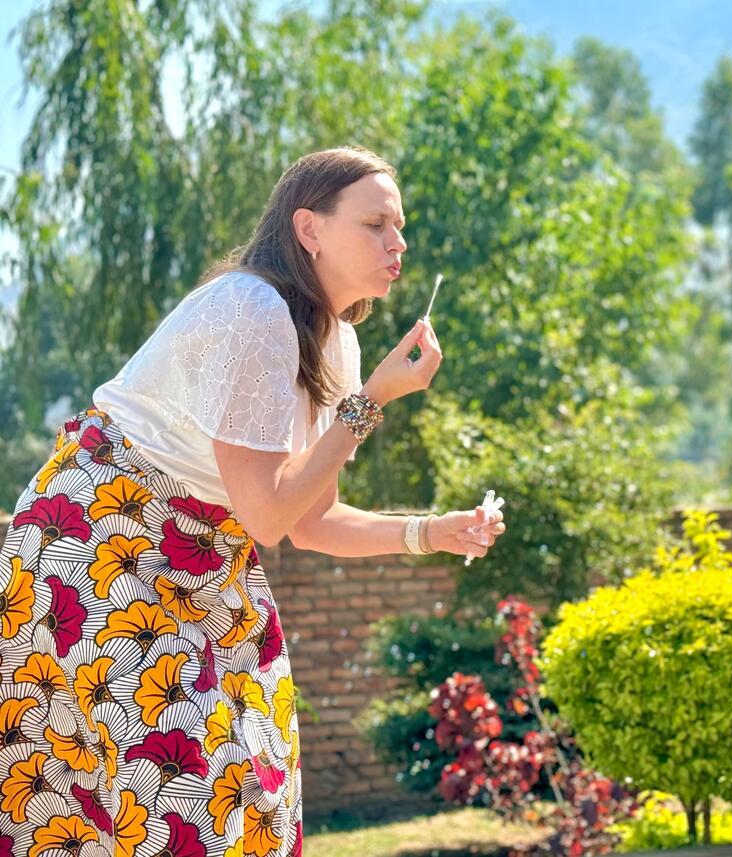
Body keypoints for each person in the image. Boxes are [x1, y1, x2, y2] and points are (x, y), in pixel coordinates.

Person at [0, 147, 505, 857]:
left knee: (246, 794)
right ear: (310, 228)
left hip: (200, 565)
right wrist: (373, 402)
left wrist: (431, 532)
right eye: (377, 224)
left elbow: (309, 520)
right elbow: (267, 514)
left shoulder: (340, 344)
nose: (400, 242)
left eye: (401, 226)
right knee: (176, 794)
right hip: (94, 547)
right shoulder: (251, 307)